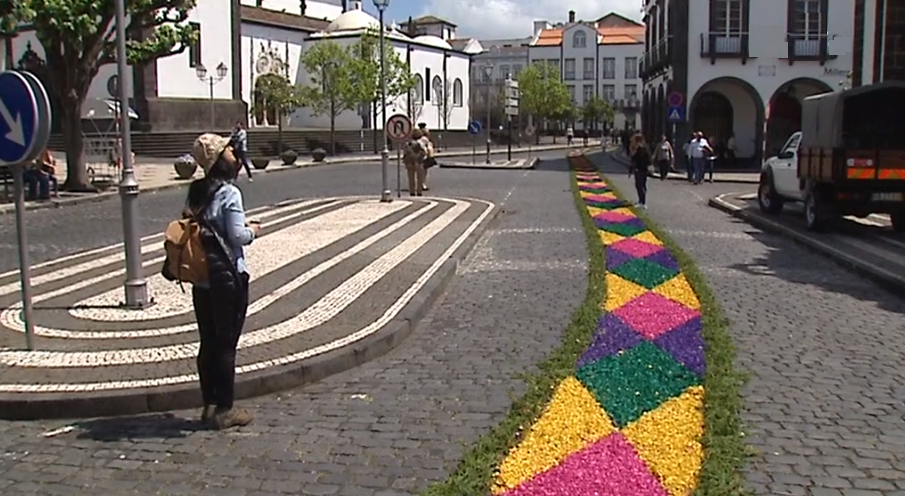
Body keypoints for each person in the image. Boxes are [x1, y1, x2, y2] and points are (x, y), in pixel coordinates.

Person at [187, 133, 259, 430]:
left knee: (208, 341)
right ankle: (225, 410)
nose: (234, 152)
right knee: (226, 343)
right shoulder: (229, 193)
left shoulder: (196, 191)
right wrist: (253, 229)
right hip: (227, 275)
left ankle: (208, 404)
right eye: (228, 149)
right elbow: (237, 236)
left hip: (202, 277)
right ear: (219, 160)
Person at [629, 133, 651, 209]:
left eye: (634, 140)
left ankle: (642, 202)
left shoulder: (641, 148)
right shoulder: (645, 147)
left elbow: (636, 159)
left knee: (640, 185)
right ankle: (641, 201)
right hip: (643, 169)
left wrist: (633, 153)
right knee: (641, 185)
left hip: (640, 169)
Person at [403, 129, 427, 196]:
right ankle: (419, 191)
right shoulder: (421, 144)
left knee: (411, 178)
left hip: (410, 162)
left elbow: (405, 153)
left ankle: (412, 191)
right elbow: (424, 152)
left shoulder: (408, 144)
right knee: (420, 178)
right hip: (419, 162)